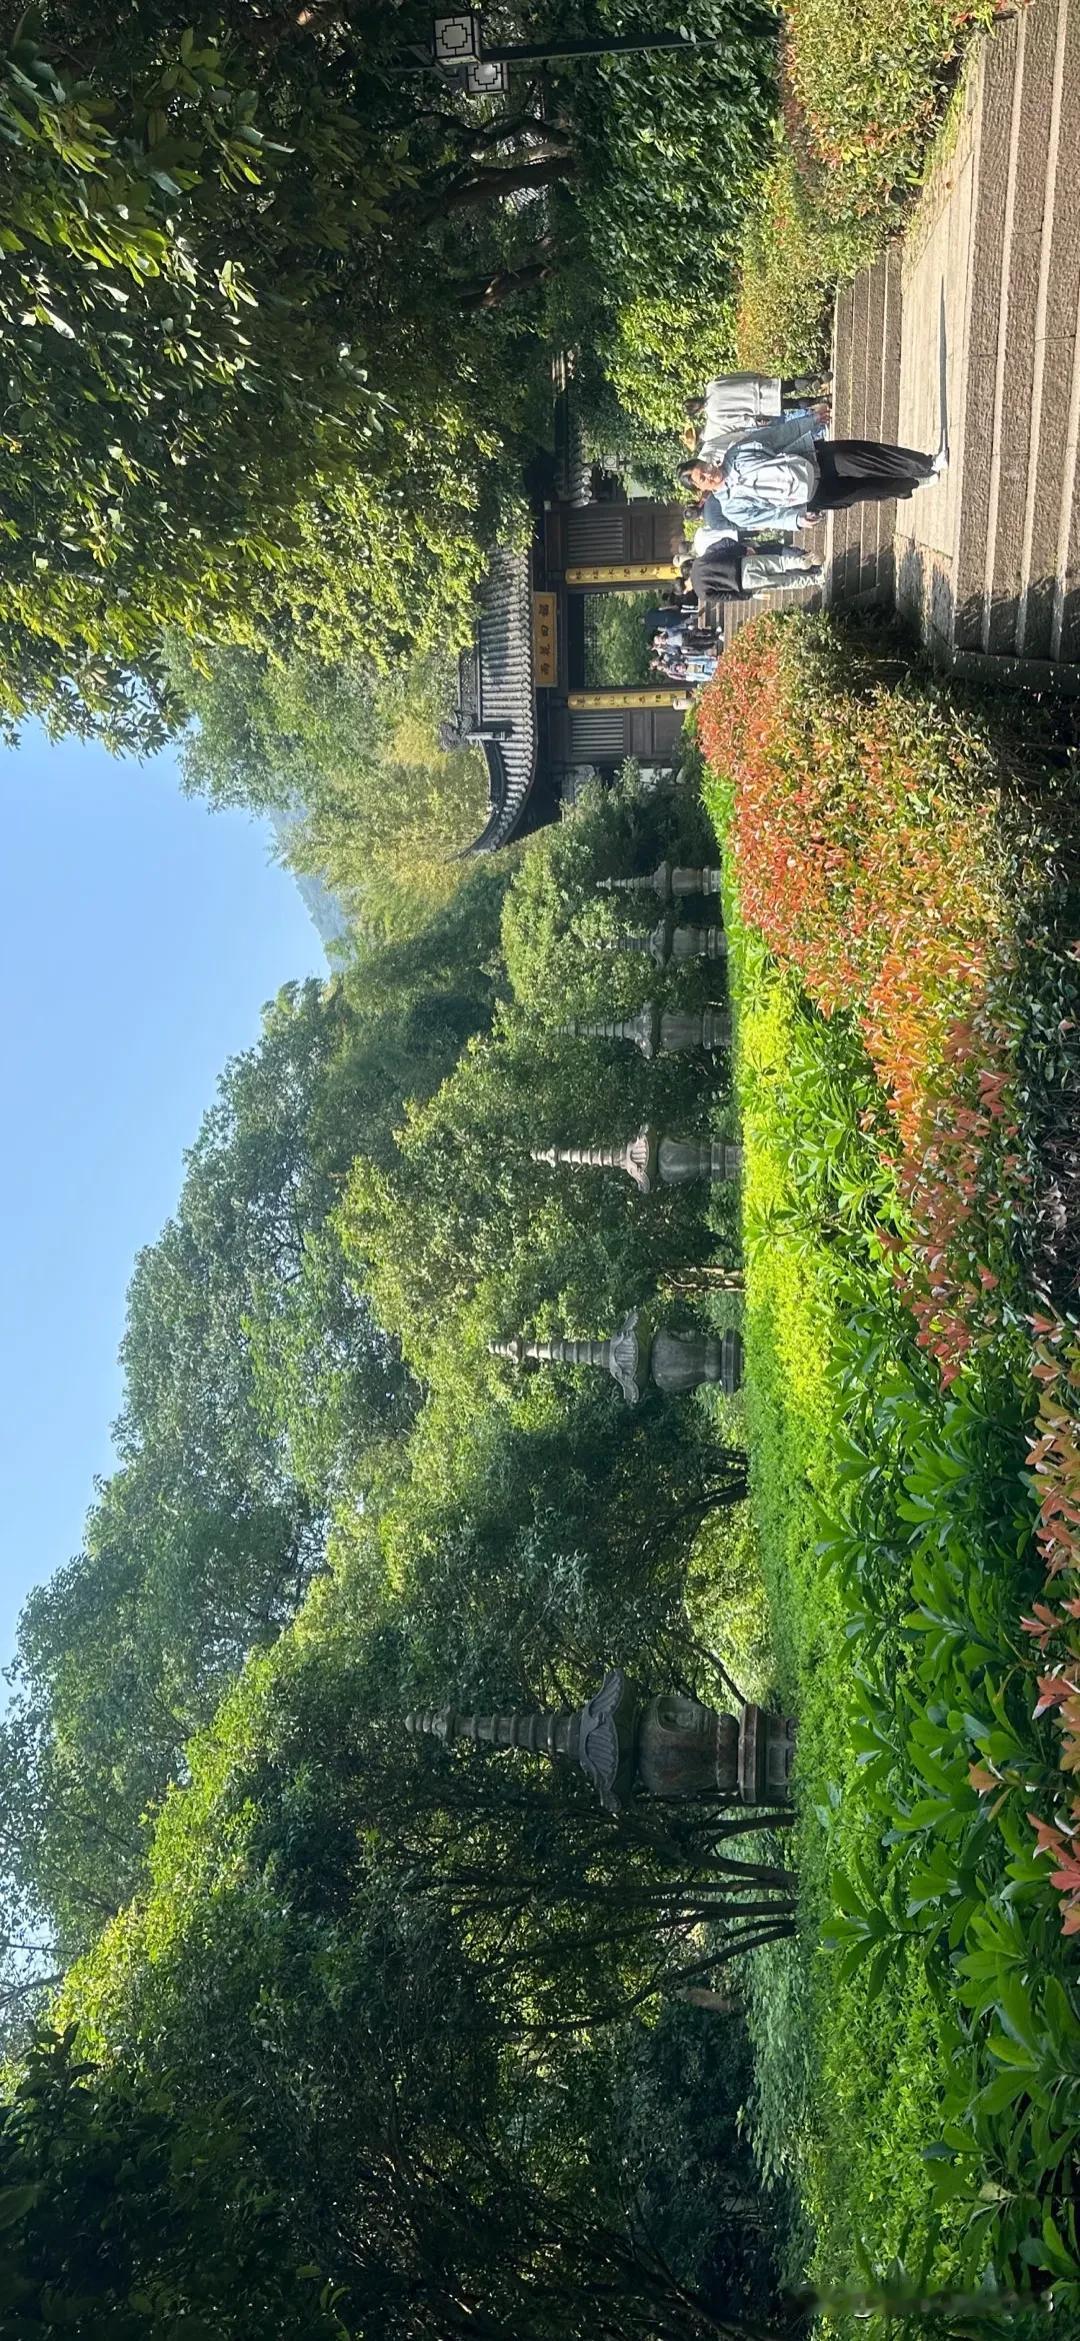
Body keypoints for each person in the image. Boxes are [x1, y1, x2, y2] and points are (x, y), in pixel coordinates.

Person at [681, 418, 946, 535]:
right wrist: (796, 519)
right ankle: (914, 482)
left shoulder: (736, 452)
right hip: (813, 496)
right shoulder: (732, 508)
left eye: (703, 467)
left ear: (705, 460)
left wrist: (810, 421)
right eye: (702, 478)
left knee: (871, 456)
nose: (708, 473)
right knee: (870, 489)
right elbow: (768, 518)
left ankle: (926, 462)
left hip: (816, 457)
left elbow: (776, 436)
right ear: (701, 489)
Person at [685, 535, 824, 606]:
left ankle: (815, 579)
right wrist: (744, 549)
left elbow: (727, 597)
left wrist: (747, 596)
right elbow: (725, 543)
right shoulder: (699, 561)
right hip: (743, 563)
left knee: (784, 582)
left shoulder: (702, 594)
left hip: (745, 584)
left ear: (687, 590)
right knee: (779, 562)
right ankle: (802, 561)